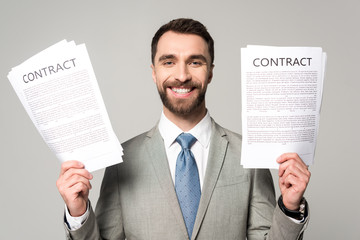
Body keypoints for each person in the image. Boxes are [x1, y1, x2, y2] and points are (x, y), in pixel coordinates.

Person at [57, 18, 311, 240]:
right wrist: (78, 212)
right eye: (168, 62)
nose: (181, 75)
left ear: (210, 72)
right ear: (154, 73)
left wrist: (289, 206)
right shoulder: (123, 159)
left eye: (195, 62)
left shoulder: (248, 155)